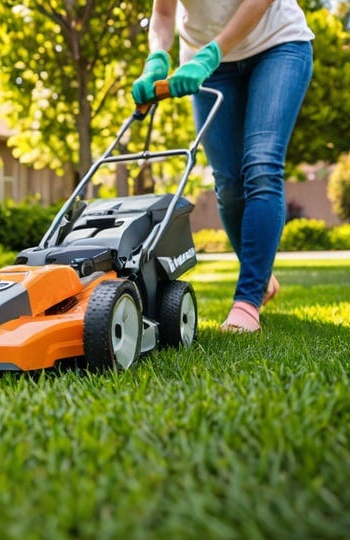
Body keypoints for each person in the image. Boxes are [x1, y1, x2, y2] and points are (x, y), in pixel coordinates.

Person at [132, 0, 314, 332]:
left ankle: (247, 302)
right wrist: (156, 57)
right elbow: (163, 13)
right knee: (229, 184)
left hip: (276, 45)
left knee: (261, 166)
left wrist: (213, 52)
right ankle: (260, 275)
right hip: (206, 61)